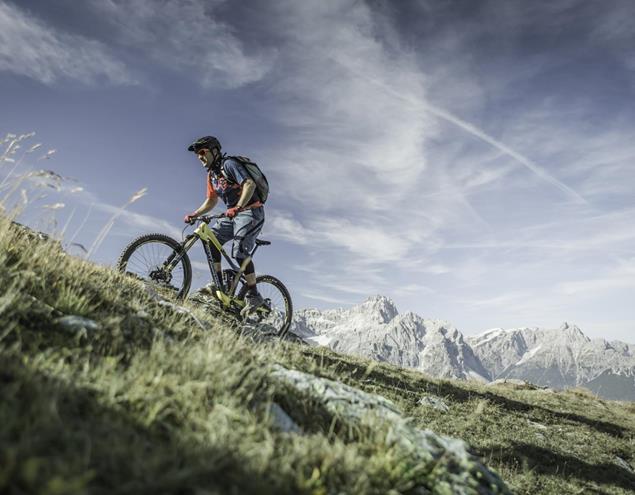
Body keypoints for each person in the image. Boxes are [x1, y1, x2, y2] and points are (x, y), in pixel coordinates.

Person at [185, 135, 265, 312]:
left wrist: (238, 206)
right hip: (232, 215)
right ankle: (219, 285)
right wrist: (194, 214)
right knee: (210, 240)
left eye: (202, 152)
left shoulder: (228, 165)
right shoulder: (211, 176)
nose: (199, 157)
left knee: (239, 251)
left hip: (251, 211)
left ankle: (254, 295)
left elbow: (249, 184)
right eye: (197, 154)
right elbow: (211, 201)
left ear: (214, 151)